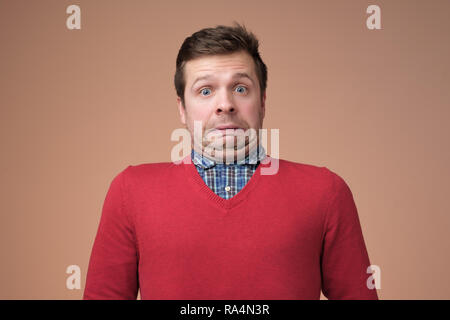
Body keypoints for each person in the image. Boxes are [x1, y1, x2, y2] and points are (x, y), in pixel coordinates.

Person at [83, 22, 378, 300]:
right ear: (182, 109)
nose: (225, 104)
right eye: (205, 90)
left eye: (240, 88)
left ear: (262, 101)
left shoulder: (325, 192)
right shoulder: (131, 191)